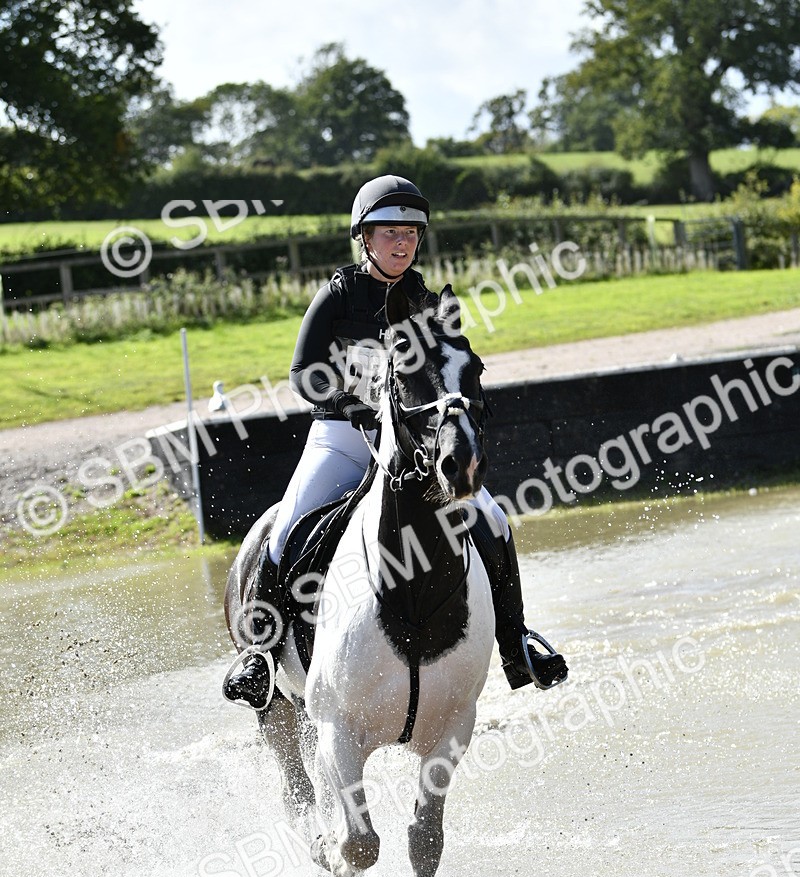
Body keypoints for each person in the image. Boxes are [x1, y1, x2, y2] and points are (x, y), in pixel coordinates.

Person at [225, 174, 567, 708]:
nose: (402, 242)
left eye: (410, 233)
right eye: (389, 232)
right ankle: (260, 656)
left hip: (410, 445)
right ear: (365, 237)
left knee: (494, 519)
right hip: (342, 437)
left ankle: (516, 644)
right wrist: (351, 400)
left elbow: (449, 374)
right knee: (286, 527)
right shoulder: (339, 294)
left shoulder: (429, 303)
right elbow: (302, 372)